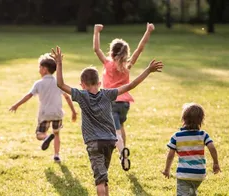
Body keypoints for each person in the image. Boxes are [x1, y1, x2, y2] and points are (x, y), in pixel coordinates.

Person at [53, 46, 164, 196]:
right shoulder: (107, 94)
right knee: (104, 177)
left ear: (82, 85)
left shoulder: (81, 95)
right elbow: (131, 85)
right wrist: (148, 71)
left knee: (100, 180)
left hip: (94, 143)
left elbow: (60, 84)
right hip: (110, 141)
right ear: (99, 83)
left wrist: (59, 63)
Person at [93, 23, 155, 171]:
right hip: (125, 104)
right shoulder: (127, 65)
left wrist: (96, 32)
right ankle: (123, 151)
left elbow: (96, 49)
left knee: (115, 131)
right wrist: (148, 31)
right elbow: (140, 49)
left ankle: (122, 152)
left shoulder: (108, 64)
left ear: (112, 53)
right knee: (120, 127)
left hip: (111, 102)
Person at [9, 53, 77, 162]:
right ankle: (56, 155)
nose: (38, 69)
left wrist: (16, 105)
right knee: (56, 134)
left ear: (45, 69)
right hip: (57, 113)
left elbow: (28, 96)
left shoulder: (38, 84)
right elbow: (68, 98)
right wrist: (73, 112)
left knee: (39, 134)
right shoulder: (58, 83)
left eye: (40, 67)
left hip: (45, 114)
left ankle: (46, 138)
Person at [162, 103, 221, 196]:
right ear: (201, 120)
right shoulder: (203, 135)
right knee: (191, 192)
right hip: (199, 174)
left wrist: (167, 169)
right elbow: (212, 147)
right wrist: (216, 163)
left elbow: (170, 155)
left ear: (184, 119)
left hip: (184, 174)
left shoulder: (177, 136)